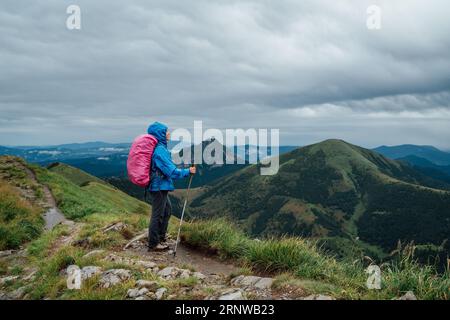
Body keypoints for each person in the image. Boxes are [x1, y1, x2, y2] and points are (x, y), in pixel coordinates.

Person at [147, 122, 196, 251]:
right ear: (160, 134)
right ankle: (153, 243)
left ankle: (161, 237)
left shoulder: (161, 148)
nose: (169, 133)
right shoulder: (160, 151)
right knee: (157, 215)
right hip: (158, 187)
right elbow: (172, 172)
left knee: (167, 211)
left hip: (161, 186)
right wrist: (188, 171)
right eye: (166, 131)